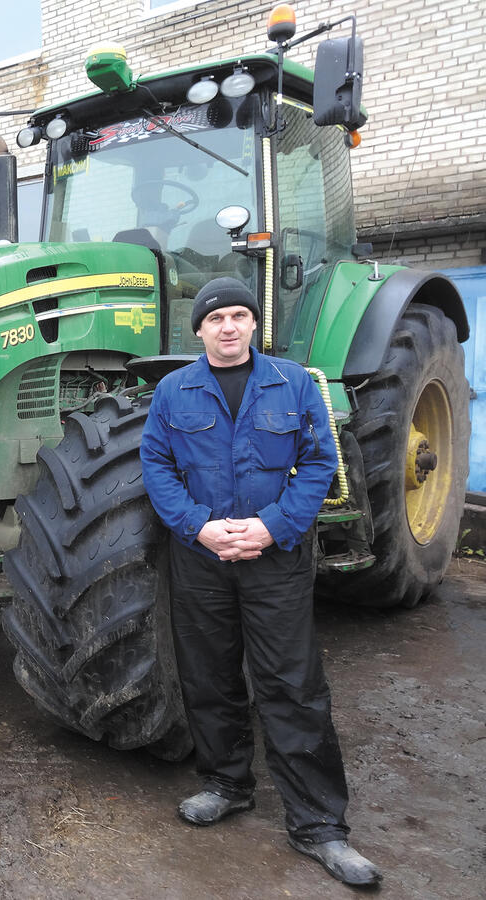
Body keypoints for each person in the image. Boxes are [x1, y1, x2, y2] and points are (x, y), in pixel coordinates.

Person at [139, 277, 382, 887]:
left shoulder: (293, 383)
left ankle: (320, 825)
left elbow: (321, 462)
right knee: (210, 674)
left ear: (254, 324)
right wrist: (199, 528)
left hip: (275, 557)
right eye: (216, 317)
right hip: (204, 558)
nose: (228, 326)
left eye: (239, 315)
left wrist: (272, 528)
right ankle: (226, 784)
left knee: (291, 684)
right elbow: (157, 465)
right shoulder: (174, 390)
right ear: (198, 329)